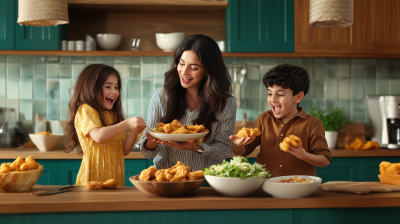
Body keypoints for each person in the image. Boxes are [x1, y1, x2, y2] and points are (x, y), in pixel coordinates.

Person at [140, 34, 236, 171]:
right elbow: (147, 152)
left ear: (208, 71)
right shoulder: (161, 96)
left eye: (194, 68)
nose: (184, 72)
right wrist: (151, 141)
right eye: (181, 63)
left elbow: (225, 149)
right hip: (168, 180)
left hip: (206, 181)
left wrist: (198, 148)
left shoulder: (225, 103)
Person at [230, 64, 332, 177]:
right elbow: (243, 151)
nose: (273, 99)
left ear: (298, 97)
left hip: (298, 189)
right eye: (269, 93)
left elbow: (325, 160)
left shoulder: (313, 124)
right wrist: (238, 144)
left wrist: (303, 155)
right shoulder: (263, 119)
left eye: (280, 94)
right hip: (265, 187)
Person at [64, 64, 146, 186]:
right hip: (92, 179)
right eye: (108, 86)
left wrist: (134, 130)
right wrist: (128, 123)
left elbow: (124, 150)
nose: (114, 91)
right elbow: (99, 136)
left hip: (115, 179)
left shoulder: (113, 116)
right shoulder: (86, 110)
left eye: (116, 87)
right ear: (90, 88)